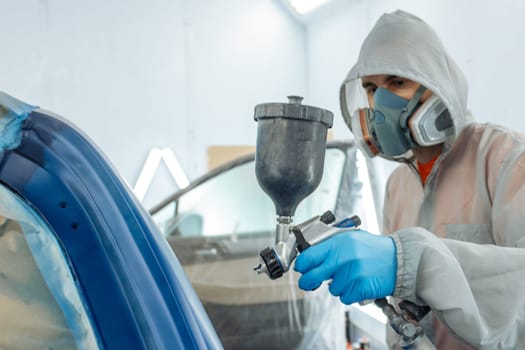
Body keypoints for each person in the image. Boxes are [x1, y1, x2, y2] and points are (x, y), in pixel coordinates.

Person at [293, 9, 525, 349]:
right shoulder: (397, 186)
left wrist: (411, 263)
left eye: (397, 83)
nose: (380, 102)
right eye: (371, 88)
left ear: (436, 86)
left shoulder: (503, 158)